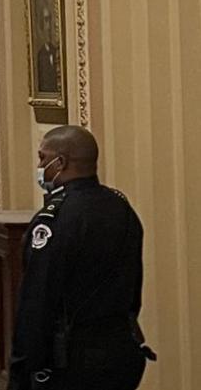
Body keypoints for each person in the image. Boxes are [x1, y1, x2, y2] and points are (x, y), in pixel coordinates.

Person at [8, 126, 153, 390]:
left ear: (60, 163)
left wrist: (22, 368)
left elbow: (38, 300)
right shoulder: (121, 208)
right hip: (120, 350)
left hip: (72, 359)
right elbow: (134, 286)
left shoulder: (55, 220)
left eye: (43, 158)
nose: (40, 166)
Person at [34, 5, 60, 93]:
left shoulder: (55, 51)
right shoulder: (40, 55)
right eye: (46, 20)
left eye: (49, 20)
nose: (49, 26)